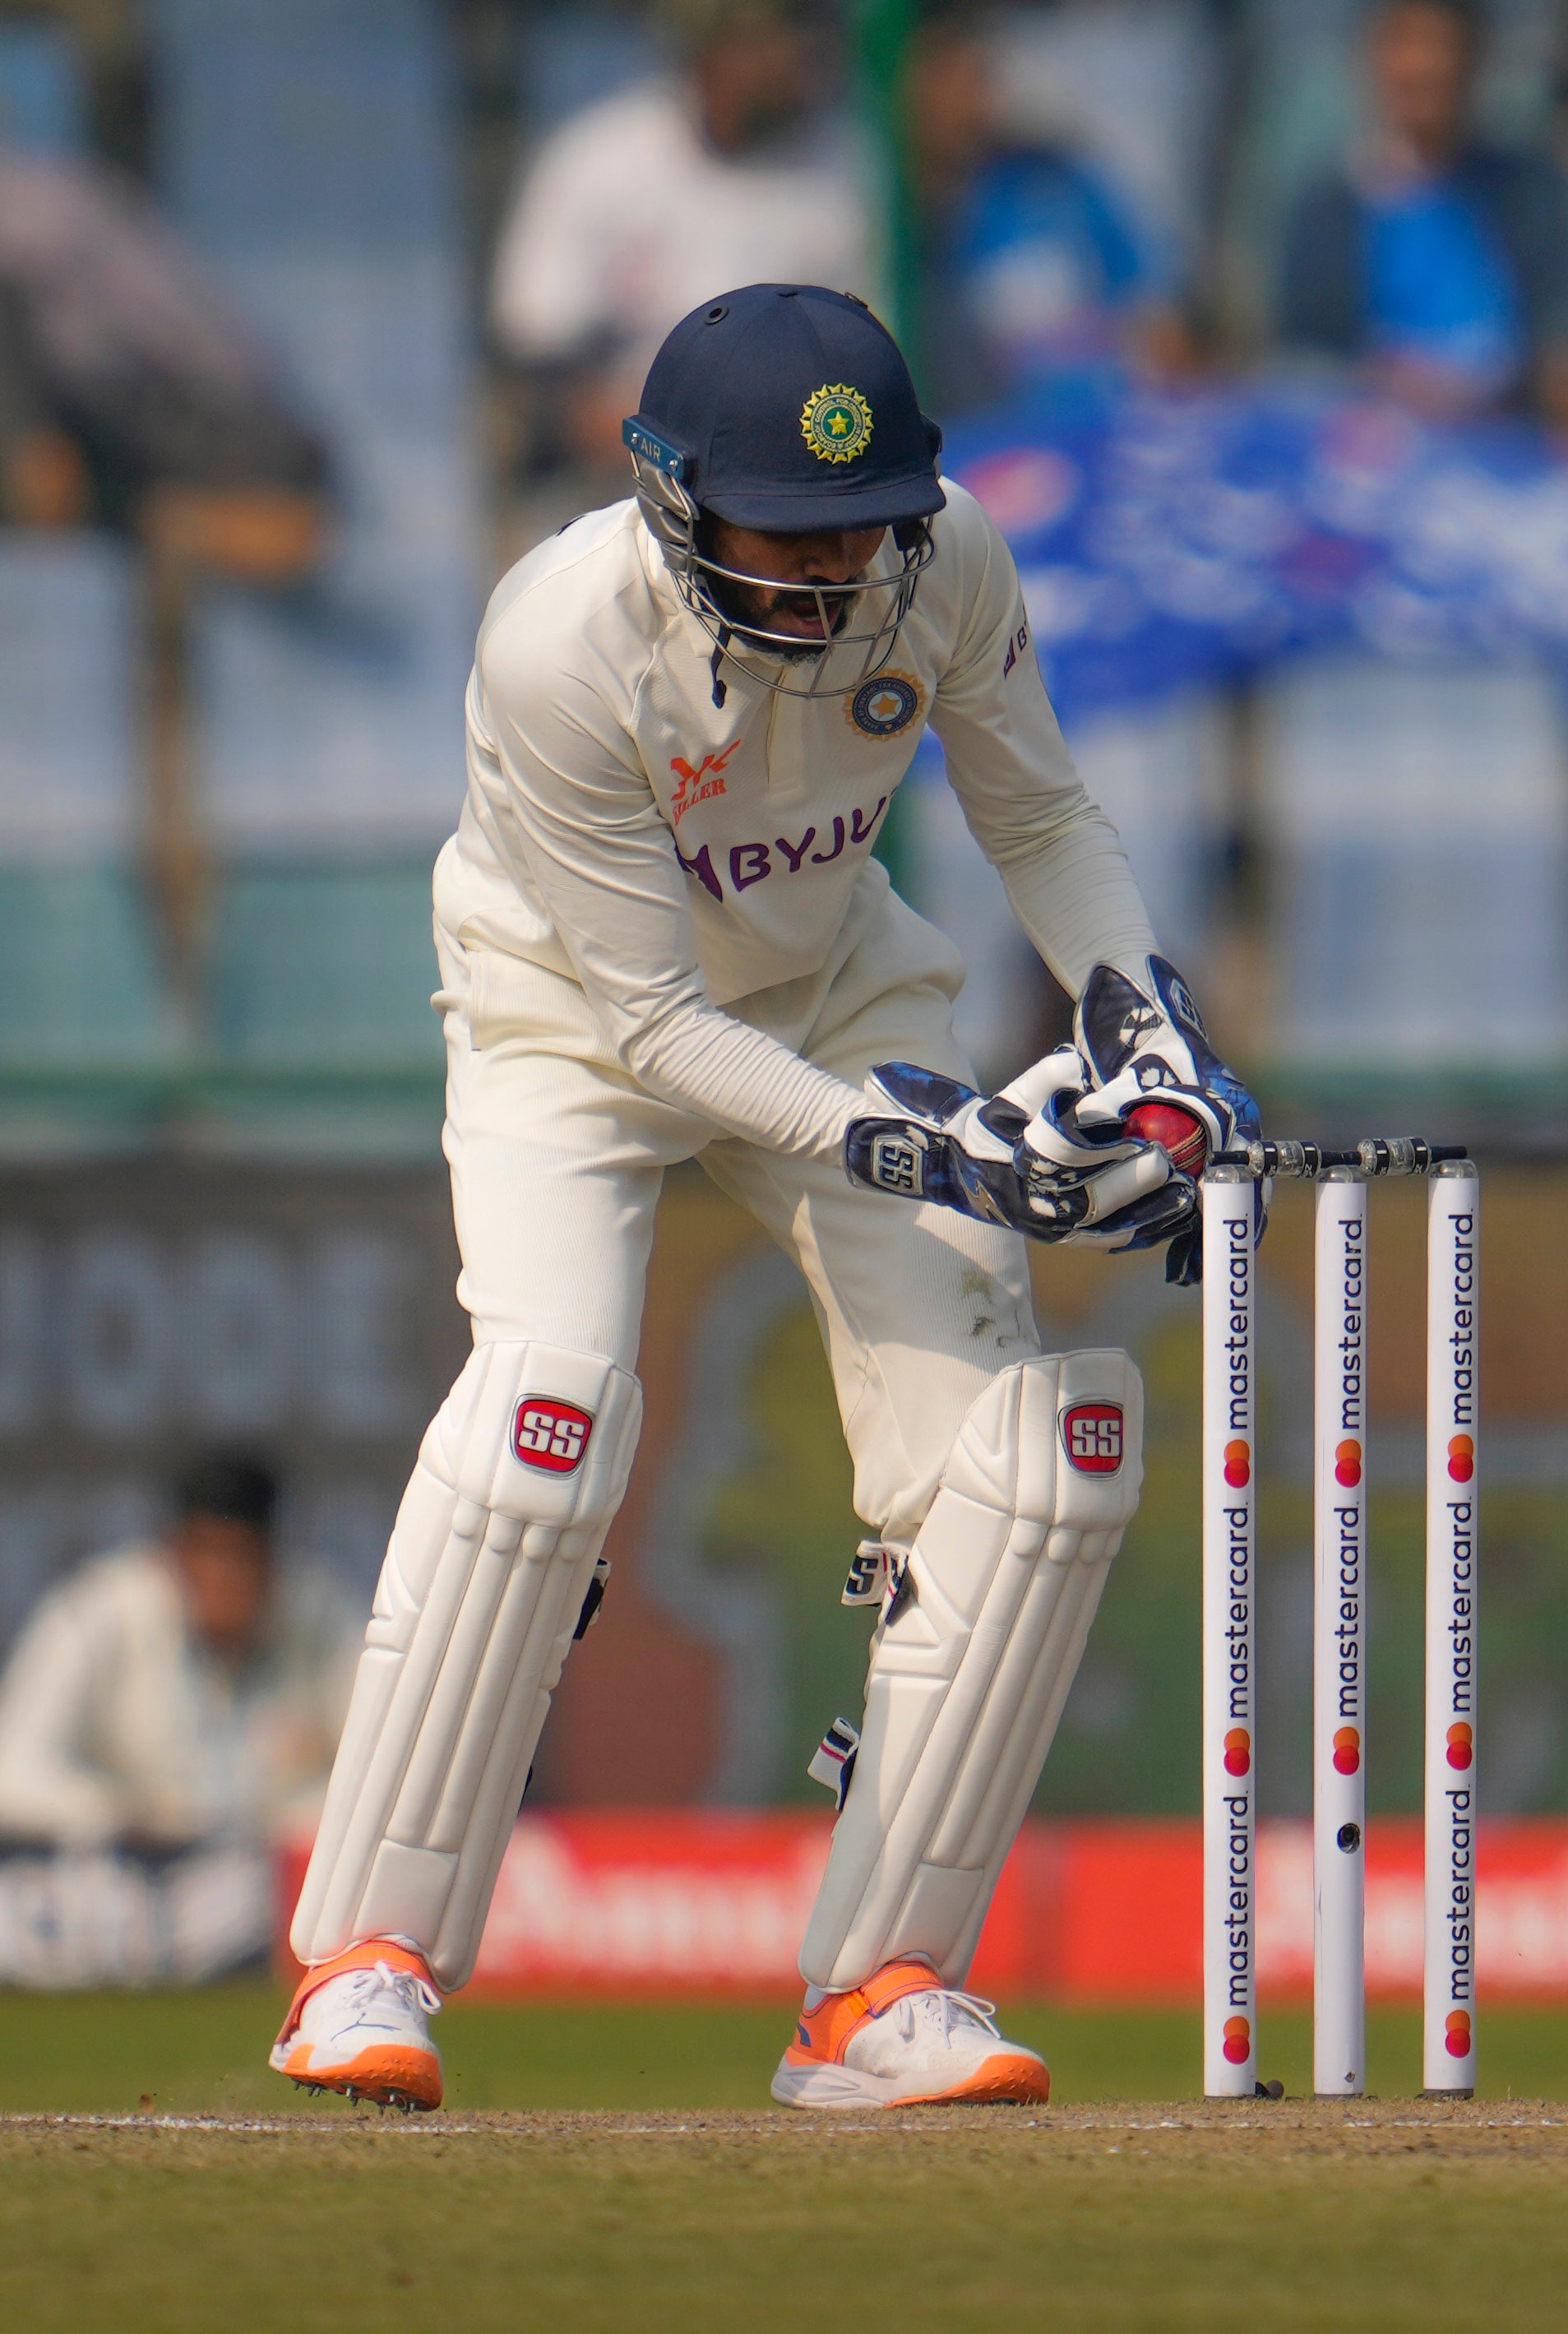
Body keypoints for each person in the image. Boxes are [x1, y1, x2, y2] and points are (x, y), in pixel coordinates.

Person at [265, 283, 1258, 2115]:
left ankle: (875, 1994)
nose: (827, 575)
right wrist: (938, 1147)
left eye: (858, 529)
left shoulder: (945, 561)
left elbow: (1043, 821)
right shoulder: (561, 641)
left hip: (835, 982)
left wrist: (1148, 1026)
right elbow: (647, 1023)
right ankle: (367, 1963)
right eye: (779, 536)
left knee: (1021, 1467)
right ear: (668, 500)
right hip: (570, 1014)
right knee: (547, 1418)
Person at [493, 0, 869, 480]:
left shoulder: (844, 166)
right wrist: (670, 446)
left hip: (786, 475)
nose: (797, 57)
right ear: (712, 48)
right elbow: (539, 365)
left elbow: (865, 347)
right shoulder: (601, 156)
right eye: (773, 38)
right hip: (613, 484)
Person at [1274, 0, 1568, 449]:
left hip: (1504, 462)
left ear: (1476, 59)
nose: (1422, 67)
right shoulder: (1325, 212)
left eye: (1441, 44)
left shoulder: (1531, 194)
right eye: (1402, 42)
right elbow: (1302, 365)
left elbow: (1563, 341)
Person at [0, 142, 326, 580]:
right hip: (138, 421)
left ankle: (181, 523)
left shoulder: (35, 207)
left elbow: (44, 473)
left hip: (190, 407)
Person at [0, 1453, 354, 1855]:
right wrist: (131, 1818)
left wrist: (278, 1830)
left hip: (273, 1886)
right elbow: (13, 1775)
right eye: (208, 1552)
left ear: (273, 1559)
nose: (225, 1577)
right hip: (128, 1888)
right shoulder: (100, 1614)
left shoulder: (321, 1616)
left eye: (243, 1555)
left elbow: (379, 1788)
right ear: (174, 1551)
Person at [900, 0, 1196, 414]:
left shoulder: (1060, 185)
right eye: (942, 73)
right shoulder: (893, 222)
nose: (967, 94)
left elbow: (1159, 327)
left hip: (1105, 438)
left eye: (975, 69)